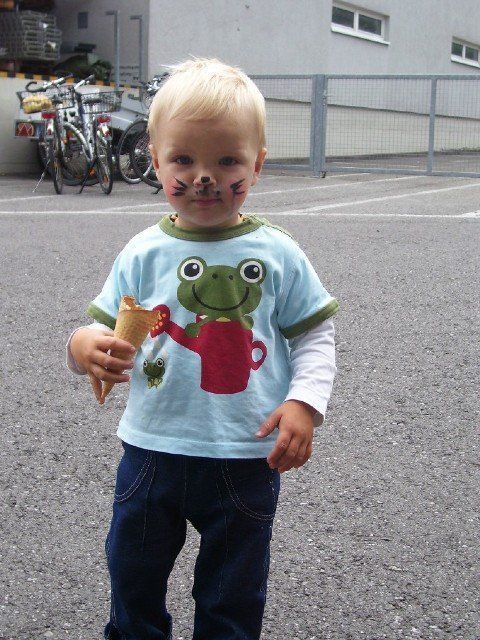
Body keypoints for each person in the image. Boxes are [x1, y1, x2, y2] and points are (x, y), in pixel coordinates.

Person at [66, 57, 339, 640]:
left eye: (227, 161)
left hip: (245, 453)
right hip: (151, 448)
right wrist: (83, 346)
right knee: (133, 572)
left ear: (257, 164)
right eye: (184, 159)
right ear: (155, 161)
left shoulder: (278, 253)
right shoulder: (143, 251)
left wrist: (305, 403)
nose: (205, 177)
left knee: (232, 588)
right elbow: (97, 326)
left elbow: (314, 333)